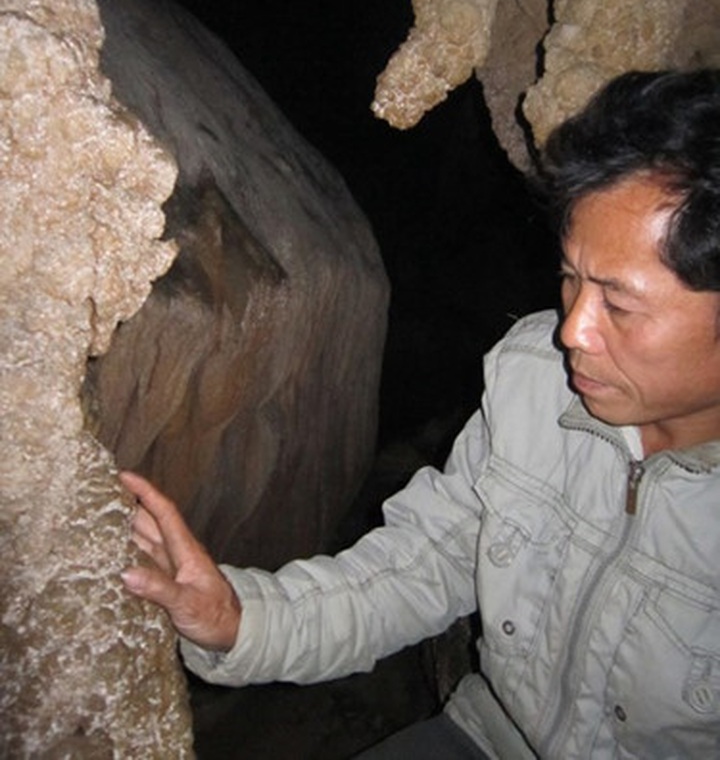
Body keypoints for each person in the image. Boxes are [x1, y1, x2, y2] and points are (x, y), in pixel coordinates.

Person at [121, 69, 720, 759]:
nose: (572, 329)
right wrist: (237, 618)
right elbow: (422, 564)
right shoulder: (535, 381)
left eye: (618, 303)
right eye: (570, 278)